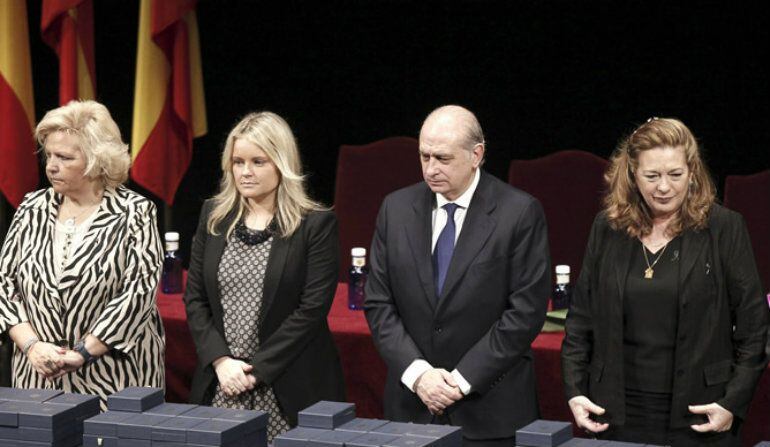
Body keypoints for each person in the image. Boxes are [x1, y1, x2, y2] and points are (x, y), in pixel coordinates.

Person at [561, 117, 769, 446]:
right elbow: (580, 319)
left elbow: (754, 330)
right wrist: (574, 391)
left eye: (675, 175)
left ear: (692, 173)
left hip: (701, 411)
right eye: (652, 176)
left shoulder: (724, 228)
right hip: (615, 411)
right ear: (632, 174)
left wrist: (731, 402)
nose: (663, 187)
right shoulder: (607, 227)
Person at [364, 105, 551, 446]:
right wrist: (420, 376)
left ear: (476, 154)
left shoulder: (519, 213)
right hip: (410, 409)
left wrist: (460, 382)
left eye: (443, 158)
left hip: (489, 412)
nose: (431, 169)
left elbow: (525, 313)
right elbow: (378, 303)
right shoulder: (396, 209)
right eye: (424, 156)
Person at [184, 111, 345, 441]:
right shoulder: (214, 217)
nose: (245, 172)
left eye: (258, 162)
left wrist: (256, 370)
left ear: (281, 163)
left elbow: (311, 310)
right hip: (223, 382)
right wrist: (220, 361)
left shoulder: (315, 225)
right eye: (238, 161)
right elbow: (195, 298)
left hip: (288, 384)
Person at [0, 100, 165, 406]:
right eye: (49, 155)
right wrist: (33, 346)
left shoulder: (136, 213)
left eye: (64, 157)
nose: (51, 165)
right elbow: (5, 286)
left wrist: (83, 352)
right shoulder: (30, 208)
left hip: (115, 378)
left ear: (96, 161)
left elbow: (138, 293)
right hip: (38, 375)